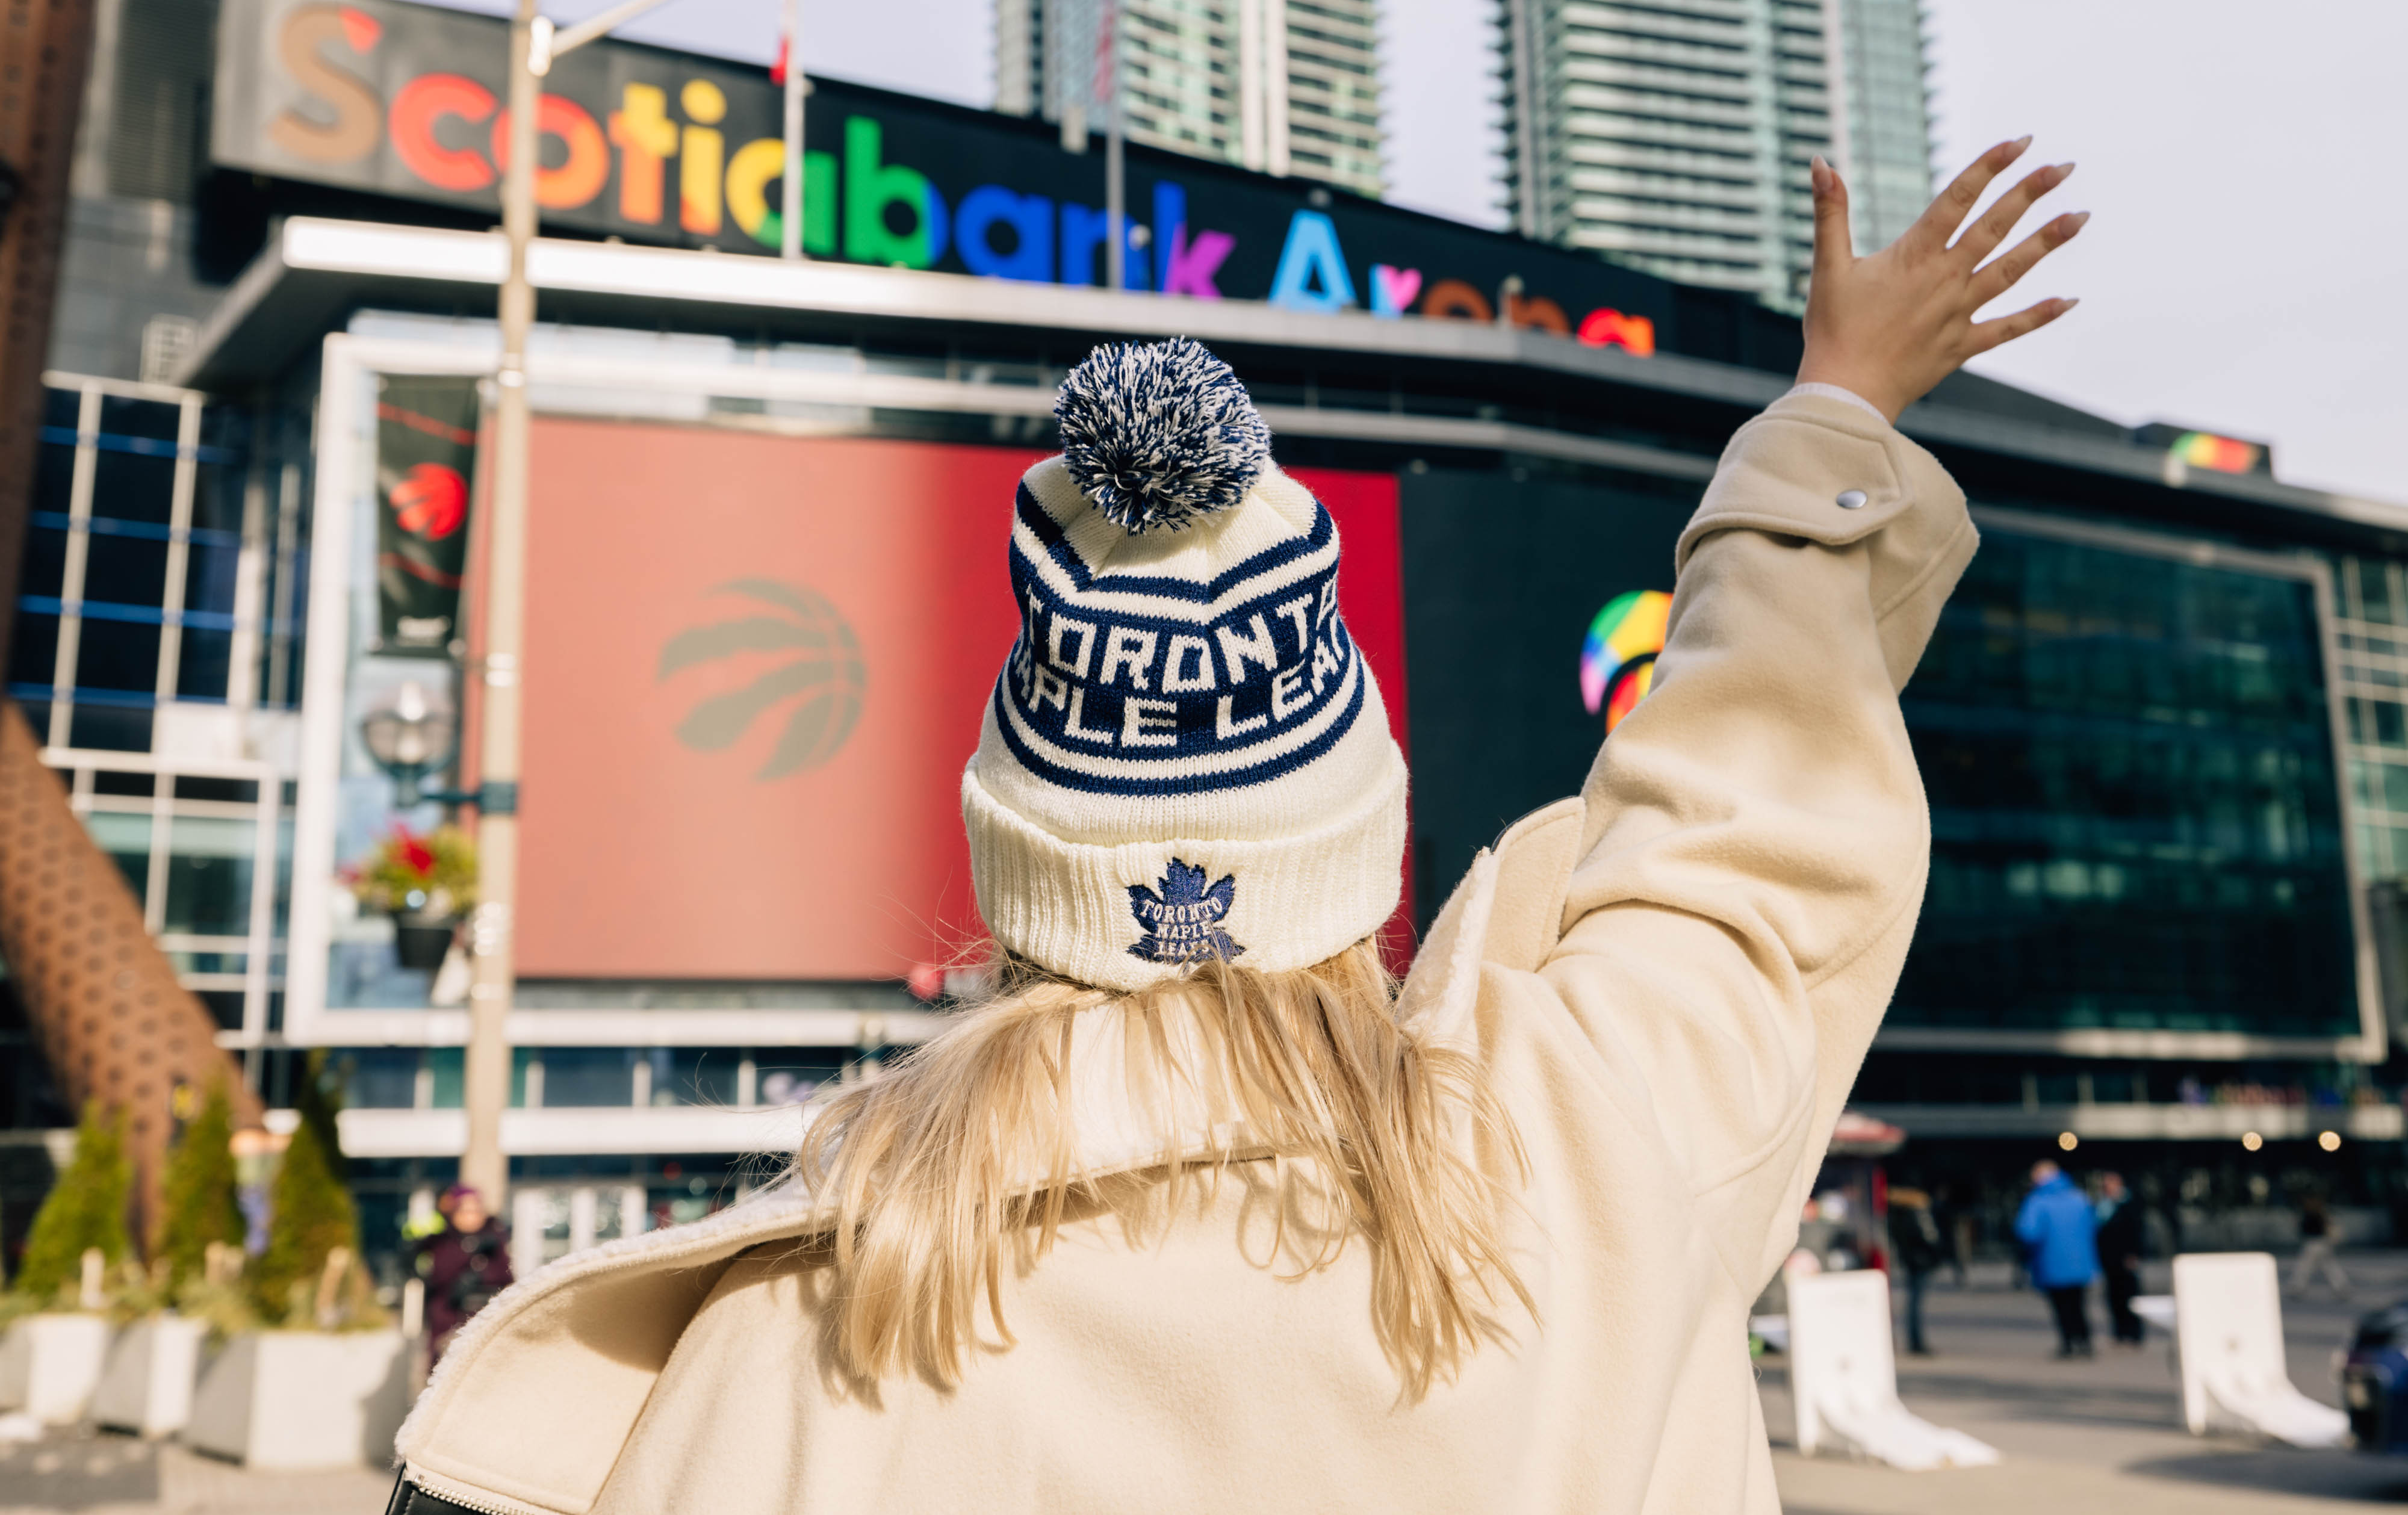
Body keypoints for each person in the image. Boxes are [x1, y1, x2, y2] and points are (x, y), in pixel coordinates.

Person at [390, 143, 2082, 1513]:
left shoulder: (792, 1346)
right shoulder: (1596, 1145)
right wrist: (1835, 404)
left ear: (1018, 880)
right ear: (1363, 853)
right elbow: (1751, 806)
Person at [417, 1183, 514, 1360]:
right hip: (449, 1323)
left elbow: (507, 1277)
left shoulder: (494, 1241)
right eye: (465, 1211)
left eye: (476, 1211)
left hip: (487, 1322)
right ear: (454, 1213)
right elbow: (439, 1279)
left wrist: (482, 1276)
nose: (471, 1217)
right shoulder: (442, 1242)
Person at [2017, 1160, 2102, 1356]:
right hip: (2081, 1262)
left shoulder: (2038, 1201)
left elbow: (2028, 1232)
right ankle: (2085, 1341)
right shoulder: (2079, 1197)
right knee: (2079, 1304)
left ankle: (2069, 1343)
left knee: (2061, 1306)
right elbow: (2093, 1226)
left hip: (2052, 1262)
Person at [1889, 1185, 1947, 1355]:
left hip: (1910, 1261)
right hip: (1922, 1260)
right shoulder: (1919, 1212)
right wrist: (1938, 1253)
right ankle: (1917, 1342)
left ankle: (1915, 1340)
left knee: (1913, 1301)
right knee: (1916, 1302)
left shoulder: (1898, 1213)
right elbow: (1930, 1236)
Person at [2094, 1170, 2146, 1344]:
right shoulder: (2102, 1206)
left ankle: (2134, 1333)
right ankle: (2120, 1332)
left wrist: (2134, 1255)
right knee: (2113, 1298)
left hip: (2126, 1259)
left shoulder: (2128, 1205)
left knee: (2129, 1297)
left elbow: (2136, 1232)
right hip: (2109, 1260)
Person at [2294, 1192, 2350, 1297]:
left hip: (2315, 1243)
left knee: (2305, 1267)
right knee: (2328, 1267)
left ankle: (2297, 1288)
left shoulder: (2316, 1214)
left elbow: (2326, 1228)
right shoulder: (2318, 1214)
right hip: (2319, 1243)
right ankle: (2341, 1287)